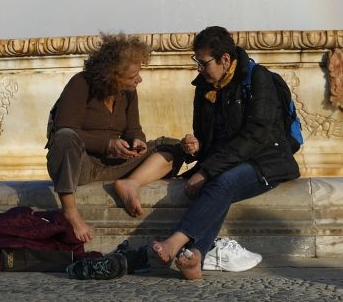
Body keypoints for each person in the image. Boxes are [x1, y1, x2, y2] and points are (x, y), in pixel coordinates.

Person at [99, 25, 300, 280]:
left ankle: (175, 243)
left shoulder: (259, 79)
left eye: (203, 63)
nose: (199, 69)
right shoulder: (204, 86)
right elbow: (208, 138)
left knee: (222, 182)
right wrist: (196, 147)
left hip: (267, 161)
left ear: (225, 59)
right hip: (230, 162)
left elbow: (256, 135)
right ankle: (194, 257)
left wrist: (206, 171)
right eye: (197, 61)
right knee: (218, 183)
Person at [46, 33, 183, 243]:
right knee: (65, 137)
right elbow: (65, 129)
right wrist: (108, 144)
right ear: (112, 75)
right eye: (132, 76)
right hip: (81, 166)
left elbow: (133, 128)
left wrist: (136, 141)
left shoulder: (128, 91)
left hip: (113, 165)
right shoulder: (80, 84)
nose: (139, 79)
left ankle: (130, 184)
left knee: (173, 145)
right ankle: (70, 212)